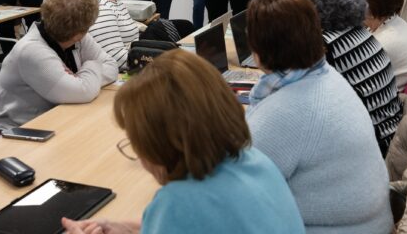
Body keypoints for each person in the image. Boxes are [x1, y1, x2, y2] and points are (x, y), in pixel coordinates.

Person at [61, 50, 305, 234]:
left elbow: (185, 216)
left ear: (161, 145)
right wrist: (125, 226)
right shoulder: (255, 161)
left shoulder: (178, 203)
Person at [245, 0, 393, 233]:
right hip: (370, 223)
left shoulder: (287, 111)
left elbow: (236, 189)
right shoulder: (327, 77)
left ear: (258, 51)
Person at [297, 0, 402, 155]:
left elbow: (304, 107)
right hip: (390, 135)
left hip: (371, 147)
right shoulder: (362, 33)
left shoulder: (325, 46)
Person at [0, 0, 118, 130]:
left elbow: (111, 66)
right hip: (6, 133)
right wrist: (92, 66)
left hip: (48, 120)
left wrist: (82, 80)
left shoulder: (78, 37)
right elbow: (83, 92)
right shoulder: (32, 51)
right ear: (79, 34)